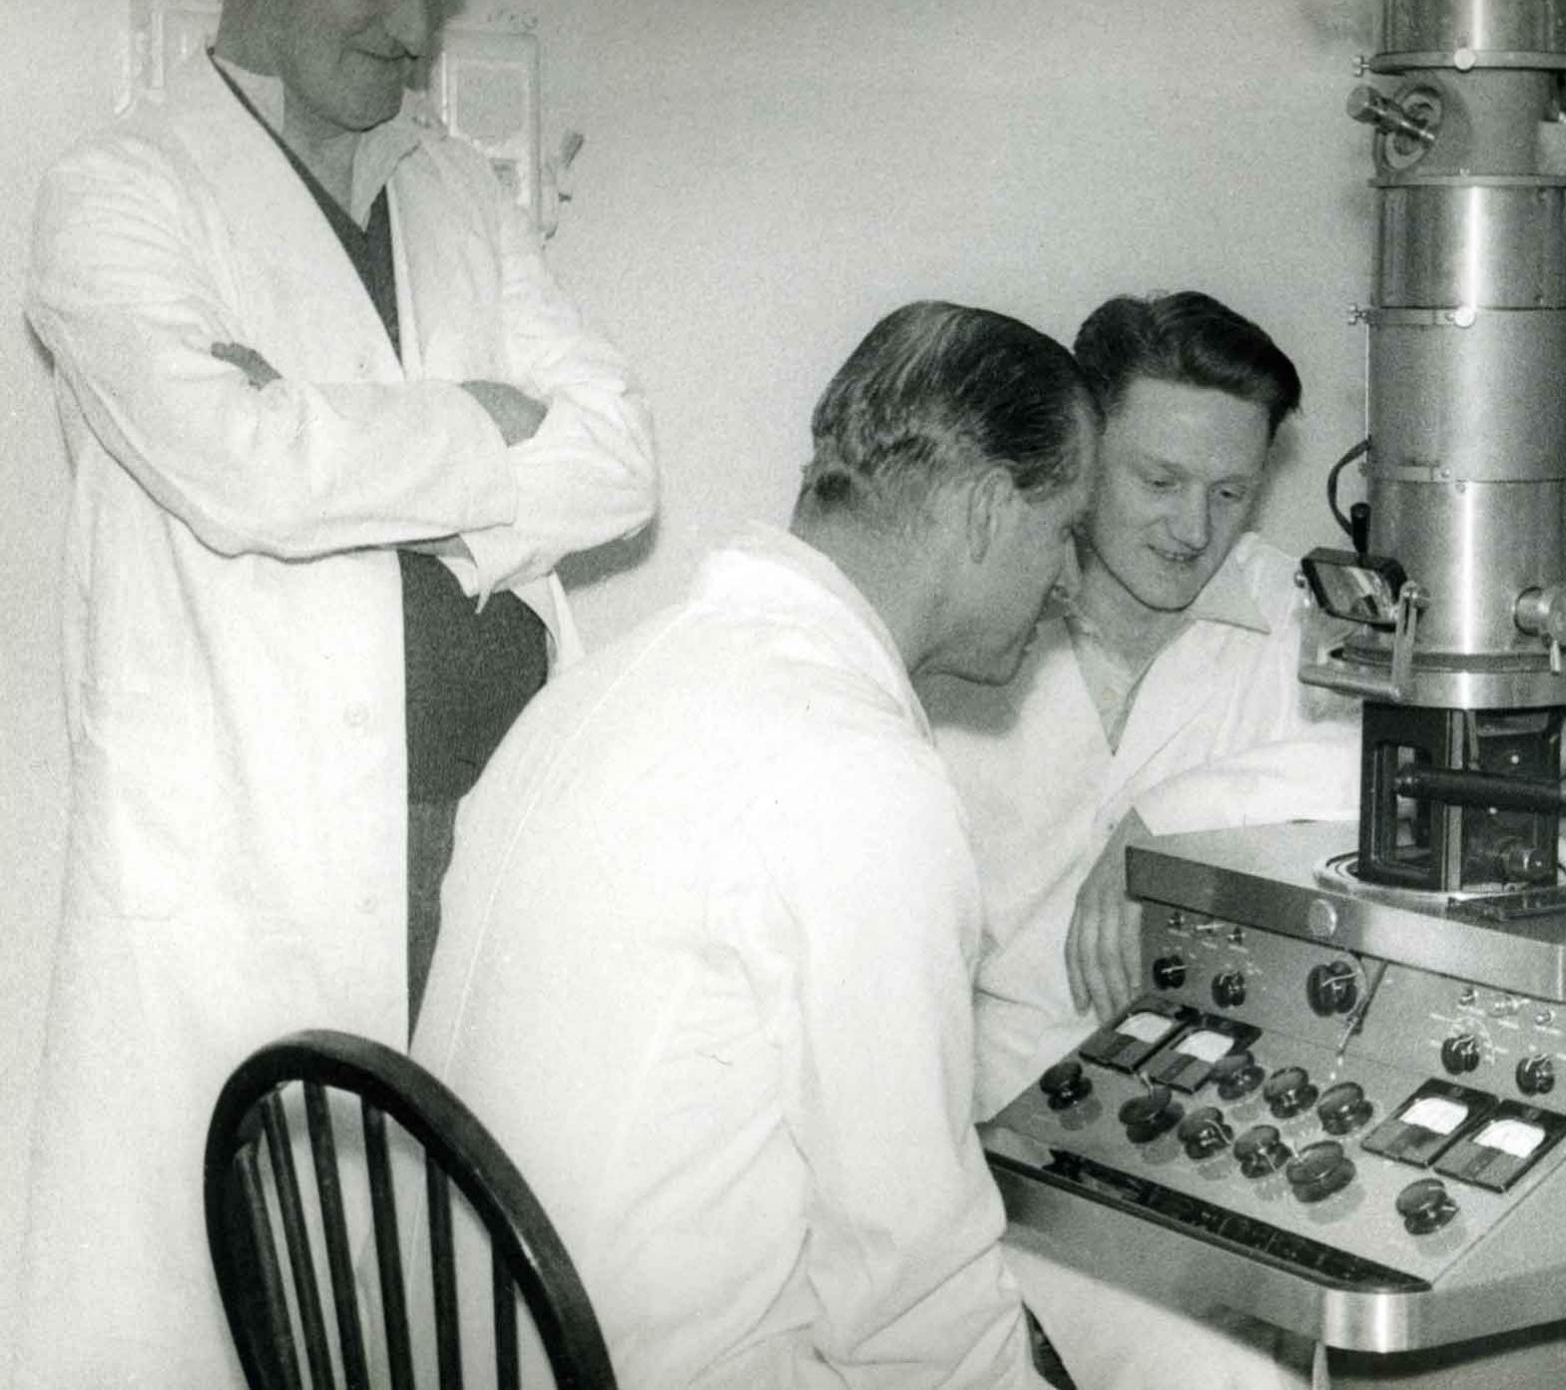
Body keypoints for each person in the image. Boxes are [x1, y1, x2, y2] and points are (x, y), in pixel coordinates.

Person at [13, 0, 655, 1382]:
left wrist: (328, 428)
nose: (416, 32)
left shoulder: (460, 190)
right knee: (244, 1303)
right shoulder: (116, 193)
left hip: (495, 827)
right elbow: (243, 472)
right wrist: (489, 419)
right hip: (255, 851)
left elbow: (620, 460)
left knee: (455, 1295)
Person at [412, 301, 1095, 1388]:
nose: (1069, 584)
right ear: (982, 510)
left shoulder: (602, 685)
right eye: (1065, 530)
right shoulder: (856, 770)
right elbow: (915, 1294)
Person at [922, 291, 1362, 1390]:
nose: (1193, 528)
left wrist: (1162, 821)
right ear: (1081, 449)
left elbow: (1390, 773)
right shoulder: (977, 626)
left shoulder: (1288, 617)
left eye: (1229, 491)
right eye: (1158, 481)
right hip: (985, 1165)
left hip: (1206, 1153)